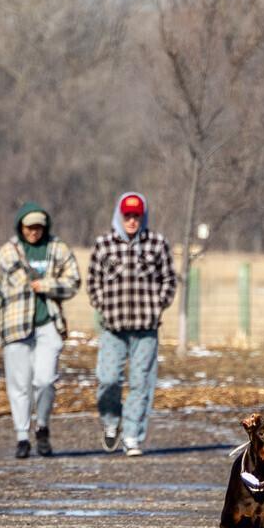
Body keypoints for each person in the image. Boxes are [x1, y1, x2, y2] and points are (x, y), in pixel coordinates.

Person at [0, 201, 81, 458]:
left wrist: (48, 285)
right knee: (19, 384)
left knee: (45, 380)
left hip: (48, 325)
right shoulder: (8, 253)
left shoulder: (57, 249)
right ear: (21, 226)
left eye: (38, 227)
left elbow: (73, 281)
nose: (34, 231)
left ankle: (42, 426)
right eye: (29, 227)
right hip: (15, 326)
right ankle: (22, 436)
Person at [86, 191, 176, 457]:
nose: (132, 220)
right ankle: (111, 424)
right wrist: (103, 304)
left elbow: (169, 279)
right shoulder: (104, 244)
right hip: (114, 328)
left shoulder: (157, 244)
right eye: (128, 215)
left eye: (137, 215)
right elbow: (93, 281)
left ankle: (132, 436)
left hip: (146, 328)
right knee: (108, 379)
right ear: (119, 216)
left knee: (141, 383)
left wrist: (158, 304)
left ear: (143, 216)